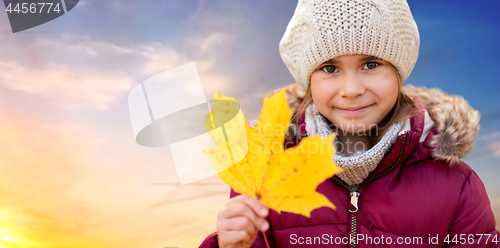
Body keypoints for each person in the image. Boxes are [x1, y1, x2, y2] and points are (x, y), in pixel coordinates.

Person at [200, 0, 500, 247]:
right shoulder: (263, 174)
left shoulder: (457, 186)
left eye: (371, 64)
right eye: (330, 68)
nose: (351, 89)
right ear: (309, 83)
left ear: (398, 72)